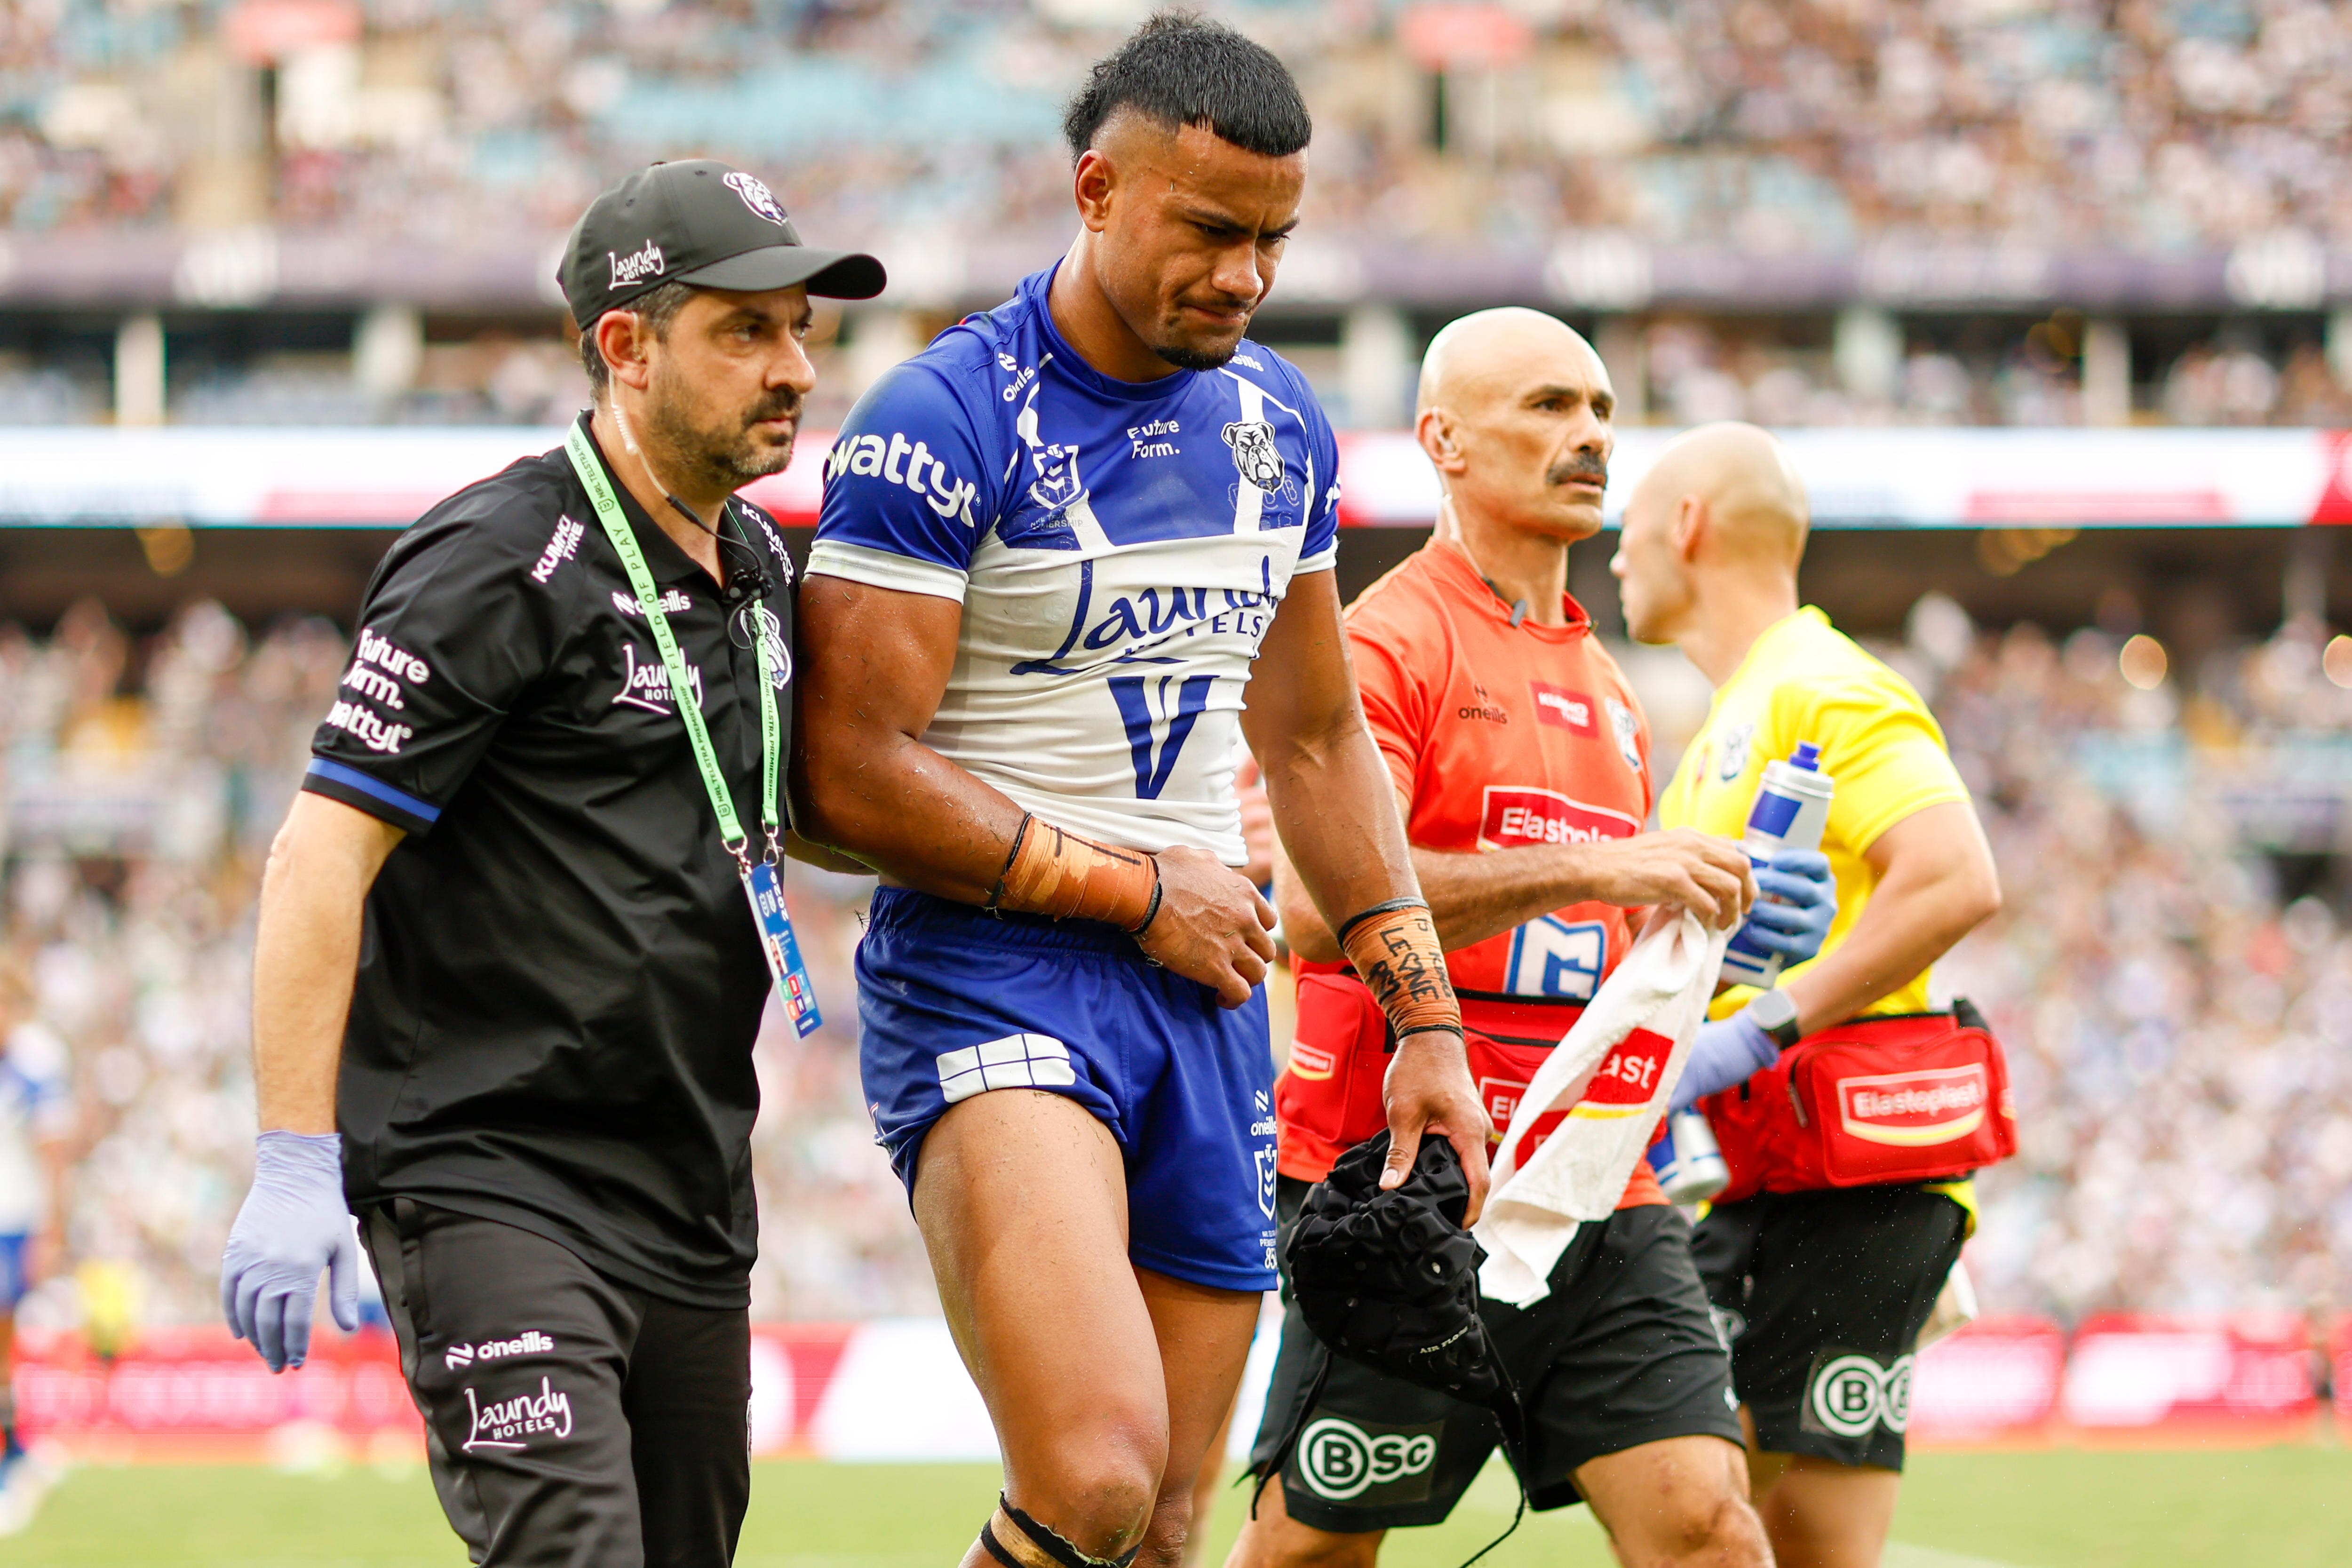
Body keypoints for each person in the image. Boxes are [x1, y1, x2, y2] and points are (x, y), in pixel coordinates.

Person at [793, 18, 1488, 1568]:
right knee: (1095, 1479)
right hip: (996, 967)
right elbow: (838, 778)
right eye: (1211, 230)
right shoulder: (943, 417)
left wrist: (1427, 1023)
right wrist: (1132, 890)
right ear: (1096, 190)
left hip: (1210, 983)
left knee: (1168, 1526)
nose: (1246, 276)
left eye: (1273, 241)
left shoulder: (1279, 424)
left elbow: (1317, 740)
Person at [216, 160, 883, 1565]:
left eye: (800, 331)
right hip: (489, 1177)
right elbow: (319, 856)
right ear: (625, 347)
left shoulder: (762, 566)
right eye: (745, 330)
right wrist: (292, 1157)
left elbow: (798, 811)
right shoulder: (496, 556)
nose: (793, 369)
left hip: (692, 1191)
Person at [1229, 311, 1834, 1568]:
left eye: (1602, 409)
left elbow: (1590, 934)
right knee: (1308, 1552)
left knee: (1709, 1523)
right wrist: (1607, 863)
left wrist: (1710, 932)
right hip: (1405, 1185)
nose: (1591, 436)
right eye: (1550, 406)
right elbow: (1315, 908)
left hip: (1594, 1180)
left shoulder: (1611, 688)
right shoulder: (1384, 642)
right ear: (1444, 441)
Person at [1614, 422, 2004, 1568]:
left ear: (1687, 524)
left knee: (1800, 1542)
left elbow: (1954, 875)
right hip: (1753, 1172)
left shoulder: (1823, 684)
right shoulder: (1724, 724)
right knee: (1695, 1516)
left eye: (1628, 528)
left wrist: (1763, 1028)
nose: (1616, 555)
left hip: (1848, 1178)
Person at [0, 967, 69, 1535]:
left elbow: (54, 1155)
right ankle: (19, 1449)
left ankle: (12, 1461)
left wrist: (51, 1232)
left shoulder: (35, 1062)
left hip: (12, 1223)